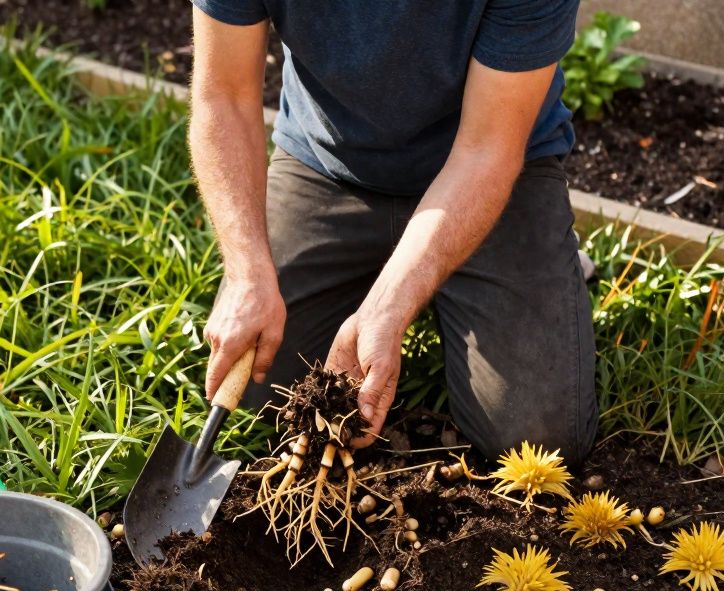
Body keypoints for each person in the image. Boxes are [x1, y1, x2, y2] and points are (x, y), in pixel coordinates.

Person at [190, 0, 597, 467]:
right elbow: (223, 96)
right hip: (328, 165)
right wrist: (246, 272)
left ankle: (537, 268)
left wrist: (389, 307)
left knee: (537, 438)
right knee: (260, 393)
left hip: (488, 172)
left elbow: (488, 149)